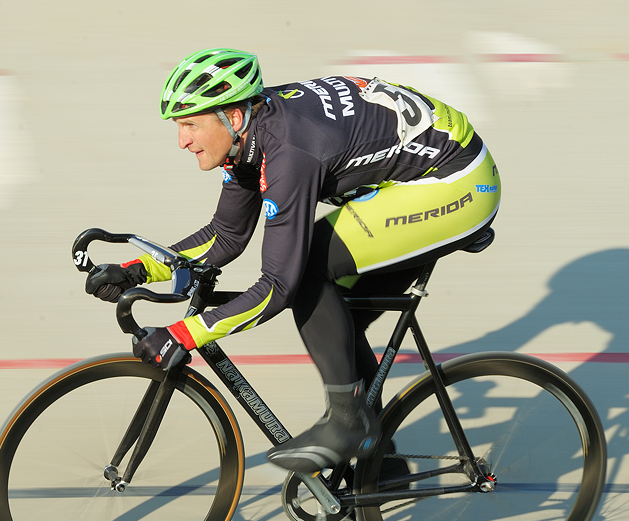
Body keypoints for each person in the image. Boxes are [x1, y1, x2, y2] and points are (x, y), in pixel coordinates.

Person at [86, 48, 501, 473]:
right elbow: (225, 235)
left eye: (191, 124)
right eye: (178, 125)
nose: (183, 140)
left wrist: (186, 333)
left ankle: (347, 424)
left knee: (308, 269)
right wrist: (137, 270)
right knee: (337, 322)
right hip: (420, 167)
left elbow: (278, 287)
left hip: (455, 183)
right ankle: (380, 466)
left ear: (231, 116)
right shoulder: (253, 131)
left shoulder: (289, 150)